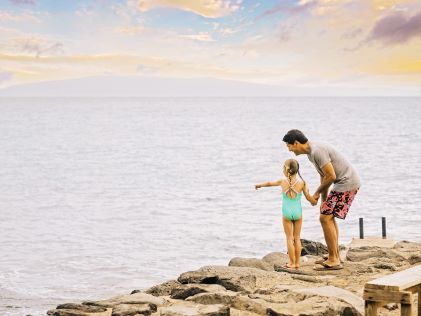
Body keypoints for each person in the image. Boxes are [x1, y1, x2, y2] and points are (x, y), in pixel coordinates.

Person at [282, 129, 360, 270]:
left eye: (289, 146)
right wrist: (324, 199)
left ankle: (334, 260)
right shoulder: (311, 153)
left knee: (325, 218)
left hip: (346, 182)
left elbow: (331, 176)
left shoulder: (317, 151)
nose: (289, 150)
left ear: (296, 143)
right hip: (343, 182)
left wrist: (317, 193)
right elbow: (324, 176)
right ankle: (334, 255)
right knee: (328, 217)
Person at [255, 159, 317, 270]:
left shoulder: (283, 181)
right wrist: (314, 200)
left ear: (287, 170)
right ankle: (297, 263)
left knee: (289, 238)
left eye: (283, 168)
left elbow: (269, 183)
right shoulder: (302, 182)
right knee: (297, 238)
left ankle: (291, 263)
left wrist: (260, 185)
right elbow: (309, 198)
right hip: (298, 212)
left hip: (287, 213)